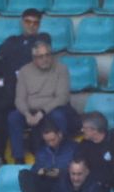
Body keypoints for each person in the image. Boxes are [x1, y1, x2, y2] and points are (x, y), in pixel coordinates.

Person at [13, 36, 76, 165]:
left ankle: (62, 153)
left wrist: (42, 112)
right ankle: (18, 158)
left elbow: (62, 97)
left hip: (52, 108)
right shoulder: (25, 71)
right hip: (30, 111)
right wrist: (27, 114)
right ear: (34, 58)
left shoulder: (61, 69)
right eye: (40, 56)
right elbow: (19, 98)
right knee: (13, 117)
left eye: (47, 55)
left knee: (59, 115)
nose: (45, 59)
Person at [17, 123, 76, 192]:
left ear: (60, 134)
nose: (51, 143)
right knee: (24, 173)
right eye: (47, 141)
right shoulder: (42, 151)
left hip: (62, 186)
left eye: (53, 140)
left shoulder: (73, 148)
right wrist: (39, 171)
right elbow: (34, 171)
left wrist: (61, 172)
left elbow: (79, 170)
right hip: (46, 185)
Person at [0, 9, 45, 77]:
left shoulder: (43, 38)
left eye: (35, 23)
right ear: (22, 22)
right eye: (28, 22)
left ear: (39, 25)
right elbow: (2, 52)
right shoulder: (12, 39)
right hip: (13, 80)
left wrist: (16, 50)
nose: (31, 25)